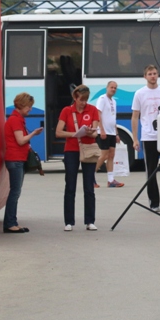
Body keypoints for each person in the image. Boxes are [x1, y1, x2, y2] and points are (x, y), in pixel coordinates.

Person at [131, 65, 160, 212]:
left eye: (155, 73)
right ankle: (154, 202)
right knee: (151, 170)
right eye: (150, 74)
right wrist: (135, 138)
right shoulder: (139, 93)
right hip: (149, 136)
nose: (153, 76)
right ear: (145, 76)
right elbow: (135, 116)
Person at [55, 84, 101, 231]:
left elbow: (95, 133)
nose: (83, 102)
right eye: (81, 99)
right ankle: (69, 221)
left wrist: (89, 132)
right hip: (71, 150)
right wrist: (74, 134)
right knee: (70, 185)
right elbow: (58, 132)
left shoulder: (92, 109)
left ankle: (90, 221)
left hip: (88, 149)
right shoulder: (67, 111)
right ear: (75, 97)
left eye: (85, 99)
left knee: (89, 186)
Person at [3, 92, 43, 233]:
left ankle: (12, 221)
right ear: (22, 105)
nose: (30, 109)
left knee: (16, 191)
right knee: (15, 192)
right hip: (15, 159)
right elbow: (20, 140)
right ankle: (10, 223)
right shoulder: (15, 120)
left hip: (17, 159)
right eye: (28, 106)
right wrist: (34, 134)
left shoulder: (16, 119)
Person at [94, 81, 123, 188]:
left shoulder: (114, 102)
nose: (113, 89)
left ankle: (111, 180)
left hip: (111, 132)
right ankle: (90, 177)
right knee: (103, 155)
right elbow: (98, 114)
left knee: (111, 155)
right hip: (104, 132)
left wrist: (117, 133)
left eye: (115, 88)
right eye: (111, 87)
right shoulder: (102, 99)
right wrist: (101, 129)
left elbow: (113, 118)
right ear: (107, 87)